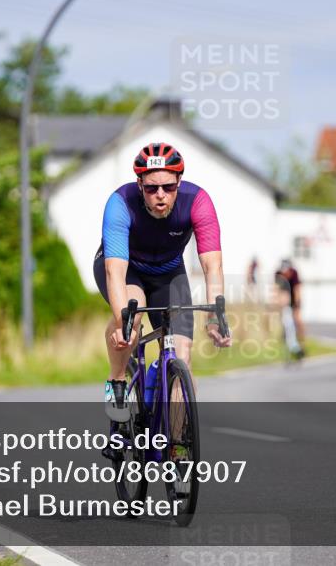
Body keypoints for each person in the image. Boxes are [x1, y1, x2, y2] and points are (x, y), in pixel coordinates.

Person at [94, 143, 231, 444]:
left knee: (182, 354)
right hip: (127, 269)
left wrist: (215, 316)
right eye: (152, 187)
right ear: (139, 183)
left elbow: (212, 263)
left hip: (169, 274)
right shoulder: (121, 202)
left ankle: (179, 445)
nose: (160, 195)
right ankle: (117, 380)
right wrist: (123, 323)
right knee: (132, 313)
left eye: (168, 187)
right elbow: (114, 271)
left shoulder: (198, 201)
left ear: (179, 182)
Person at [273, 260, 305, 361]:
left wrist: (297, 306)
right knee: (286, 323)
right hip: (285, 301)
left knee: (297, 321)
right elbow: (277, 290)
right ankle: (291, 345)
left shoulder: (294, 274)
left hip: (294, 300)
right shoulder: (278, 274)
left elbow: (297, 290)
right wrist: (277, 304)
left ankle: (301, 342)